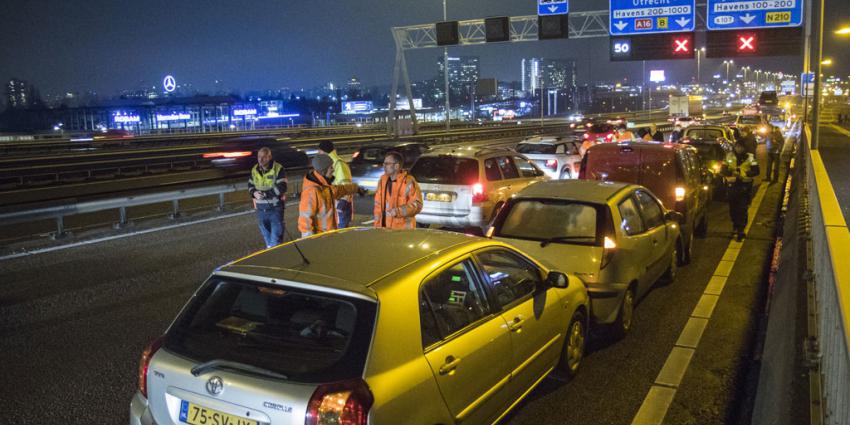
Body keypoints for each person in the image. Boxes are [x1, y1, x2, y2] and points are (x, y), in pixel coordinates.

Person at [298, 153, 361, 238]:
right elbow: (305, 221)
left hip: (329, 236)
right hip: (321, 240)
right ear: (324, 171)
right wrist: (310, 244)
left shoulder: (324, 186)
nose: (333, 170)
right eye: (330, 167)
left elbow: (340, 190)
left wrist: (356, 188)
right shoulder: (312, 191)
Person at [249, 147, 288, 248]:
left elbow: (282, 187)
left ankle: (278, 260)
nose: (261, 160)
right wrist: (254, 193)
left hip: (275, 208)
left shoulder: (278, 168)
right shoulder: (254, 169)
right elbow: (250, 185)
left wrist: (265, 194)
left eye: (264, 157)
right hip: (261, 209)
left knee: (276, 240)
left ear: (269, 157)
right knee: (268, 240)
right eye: (259, 157)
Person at [374, 151, 423, 229]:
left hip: (402, 232)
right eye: (384, 163)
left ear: (396, 166)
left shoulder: (408, 181)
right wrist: (376, 226)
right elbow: (377, 207)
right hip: (384, 231)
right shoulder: (382, 181)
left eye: (387, 164)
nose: (384, 166)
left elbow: (417, 205)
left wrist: (398, 211)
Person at [722, 141, 760, 241]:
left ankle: (741, 230)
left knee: (742, 209)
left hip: (745, 186)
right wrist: (731, 172)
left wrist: (745, 174)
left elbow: (756, 171)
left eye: (740, 147)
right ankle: (735, 226)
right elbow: (723, 170)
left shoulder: (750, 157)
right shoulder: (729, 156)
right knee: (733, 209)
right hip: (732, 185)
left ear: (744, 148)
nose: (738, 149)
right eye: (737, 147)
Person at [318, 140, 354, 228]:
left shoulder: (339, 164)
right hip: (333, 206)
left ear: (324, 151)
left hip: (341, 206)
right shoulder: (328, 163)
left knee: (342, 235)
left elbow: (347, 186)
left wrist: (341, 204)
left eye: (319, 151)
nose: (318, 153)